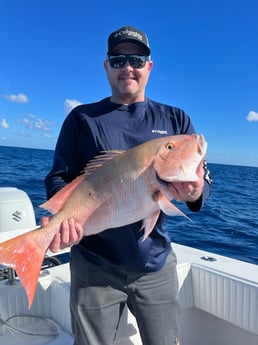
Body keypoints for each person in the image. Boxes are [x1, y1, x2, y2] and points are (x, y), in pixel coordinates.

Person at [43, 26, 212, 345]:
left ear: (149, 66)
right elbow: (58, 177)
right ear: (106, 66)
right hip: (93, 265)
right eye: (118, 60)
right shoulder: (83, 119)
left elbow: (202, 183)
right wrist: (61, 220)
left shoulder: (176, 120)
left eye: (136, 59)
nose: (128, 67)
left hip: (155, 264)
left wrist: (196, 191)